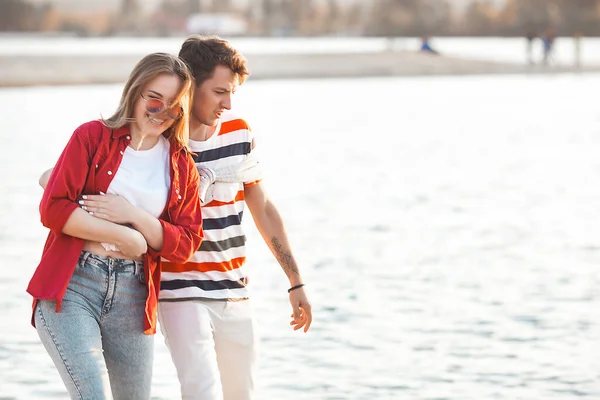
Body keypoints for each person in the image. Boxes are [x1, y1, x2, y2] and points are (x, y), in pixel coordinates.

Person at [31, 52, 204, 399]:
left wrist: (133, 217)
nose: (162, 112)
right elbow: (53, 207)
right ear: (135, 92)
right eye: (154, 99)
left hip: (134, 293)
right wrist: (124, 235)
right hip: (74, 285)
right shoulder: (92, 137)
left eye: (174, 105)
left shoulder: (182, 165)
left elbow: (186, 242)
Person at [157, 35, 313, 400]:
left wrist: (295, 281)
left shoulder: (239, 132)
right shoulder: (159, 139)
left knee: (242, 393)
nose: (228, 103)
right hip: (179, 291)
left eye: (233, 93)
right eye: (219, 92)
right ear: (189, 86)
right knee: (201, 391)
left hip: (233, 290)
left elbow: (262, 207)